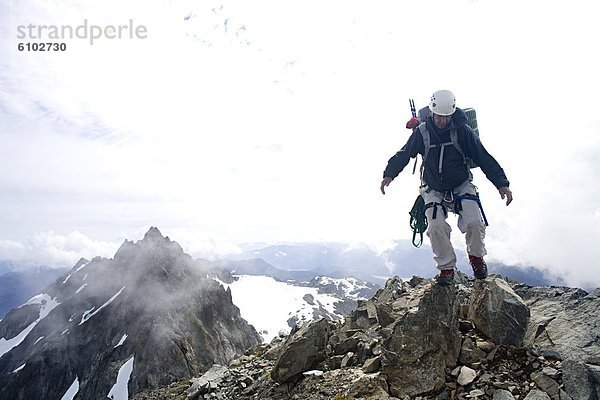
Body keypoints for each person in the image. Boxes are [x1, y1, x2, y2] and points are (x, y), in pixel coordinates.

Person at [380, 90, 513, 285]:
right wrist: (389, 174)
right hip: (433, 187)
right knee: (436, 226)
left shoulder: (462, 130)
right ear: (432, 112)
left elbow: (482, 156)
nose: (443, 121)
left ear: (452, 113)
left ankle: (477, 258)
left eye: (447, 117)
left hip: (461, 184)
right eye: (440, 117)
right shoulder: (422, 132)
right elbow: (404, 154)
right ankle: (447, 268)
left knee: (474, 222)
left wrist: (502, 183)